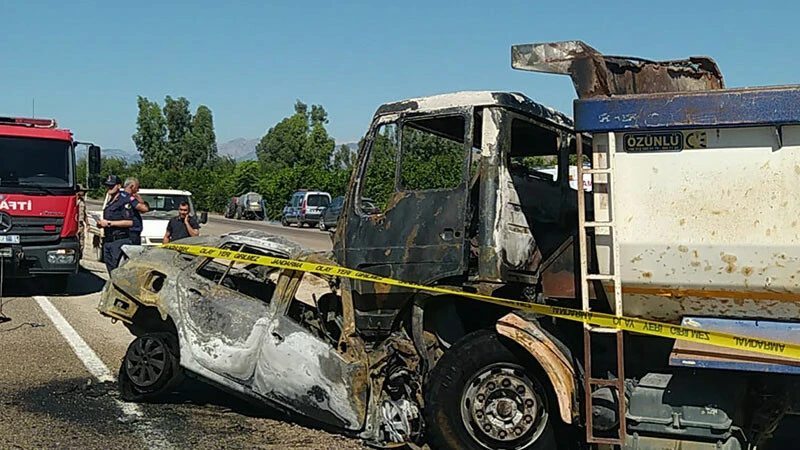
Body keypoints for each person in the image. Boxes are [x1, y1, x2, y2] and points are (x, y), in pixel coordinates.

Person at [97, 175, 133, 272]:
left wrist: (109, 223)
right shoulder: (110, 202)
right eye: (108, 186)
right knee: (111, 271)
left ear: (118, 186)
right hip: (108, 241)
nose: (109, 188)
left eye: (111, 186)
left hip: (119, 241)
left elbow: (129, 222)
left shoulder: (123, 201)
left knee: (118, 271)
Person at [118, 177, 149, 245]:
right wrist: (140, 199)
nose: (138, 190)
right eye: (137, 187)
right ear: (132, 186)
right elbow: (144, 209)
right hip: (132, 230)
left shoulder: (120, 195)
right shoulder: (129, 198)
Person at [76, 184, 88, 259]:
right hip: (75, 224)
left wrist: (88, 224)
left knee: (81, 243)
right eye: (82, 191)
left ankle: (80, 256)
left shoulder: (82, 201)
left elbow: (84, 213)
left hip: (80, 225)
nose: (84, 193)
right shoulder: (73, 201)